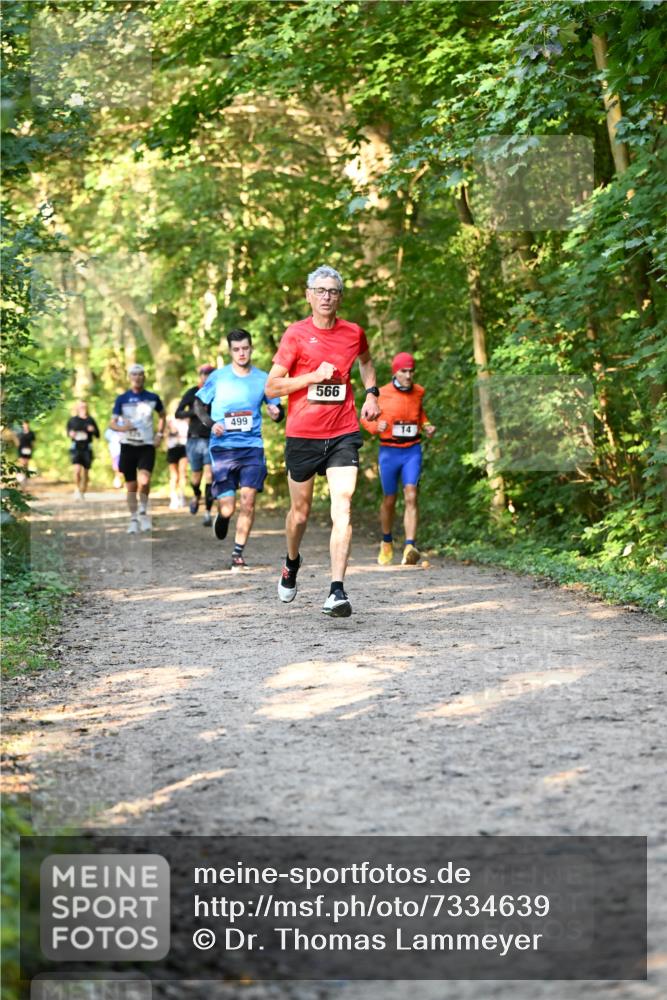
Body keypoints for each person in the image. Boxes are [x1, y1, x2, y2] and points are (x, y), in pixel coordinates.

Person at [265, 264, 380, 617]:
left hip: (343, 431)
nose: (326, 297)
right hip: (303, 434)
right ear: (309, 296)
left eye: (333, 291)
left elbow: (366, 361)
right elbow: (272, 387)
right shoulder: (295, 335)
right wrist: (313, 377)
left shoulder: (353, 332)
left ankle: (337, 591)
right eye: (320, 291)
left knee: (342, 505)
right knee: (300, 515)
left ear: (340, 297)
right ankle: (291, 562)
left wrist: (372, 393)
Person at [193, 329, 283, 570]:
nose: (241, 353)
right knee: (229, 507)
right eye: (236, 349)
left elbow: (277, 409)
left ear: (251, 348)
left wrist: (276, 413)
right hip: (223, 448)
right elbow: (199, 405)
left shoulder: (263, 378)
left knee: (249, 501)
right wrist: (213, 424)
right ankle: (222, 517)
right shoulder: (219, 378)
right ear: (230, 351)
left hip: (252, 447)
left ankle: (237, 553)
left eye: (245, 348)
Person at [361, 352, 435, 566]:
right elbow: (365, 418)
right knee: (389, 500)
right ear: (396, 371)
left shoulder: (419, 392)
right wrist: (376, 426)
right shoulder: (381, 393)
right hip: (389, 452)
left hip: (412, 450)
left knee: (411, 495)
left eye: (411, 371)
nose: (409, 375)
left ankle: (410, 546)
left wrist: (426, 425)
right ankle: (386, 542)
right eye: (404, 371)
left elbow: (419, 415)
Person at [110, 364, 165, 534]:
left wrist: (160, 435)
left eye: (140, 374)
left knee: (145, 480)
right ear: (129, 377)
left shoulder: (152, 397)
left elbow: (162, 415)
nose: (137, 377)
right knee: (131, 486)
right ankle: (133, 518)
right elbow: (112, 423)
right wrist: (122, 428)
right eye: (134, 375)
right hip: (127, 445)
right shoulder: (122, 398)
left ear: (144, 377)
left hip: (146, 445)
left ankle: (143, 511)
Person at [175, 364, 216, 526]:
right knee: (195, 477)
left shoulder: (217, 393)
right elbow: (177, 413)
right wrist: (196, 411)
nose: (207, 376)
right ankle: (196, 494)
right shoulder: (192, 392)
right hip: (193, 439)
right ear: (200, 375)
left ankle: (207, 513)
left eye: (210, 374)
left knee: (210, 476)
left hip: (211, 438)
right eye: (204, 374)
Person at [66, 400, 100, 500]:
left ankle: (83, 490)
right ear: (77, 408)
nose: (83, 409)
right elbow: (68, 432)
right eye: (81, 407)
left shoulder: (90, 420)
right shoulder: (72, 420)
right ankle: (77, 489)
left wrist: (93, 430)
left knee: (85, 472)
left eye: (84, 407)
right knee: (76, 471)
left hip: (87, 448)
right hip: (76, 447)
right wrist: (70, 433)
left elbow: (98, 434)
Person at [165, 411, 189, 509]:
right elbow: (166, 434)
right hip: (172, 448)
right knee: (174, 475)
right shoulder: (170, 419)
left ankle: (181, 495)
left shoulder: (186, 420)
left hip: (184, 447)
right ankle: (173, 497)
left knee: (183, 473)